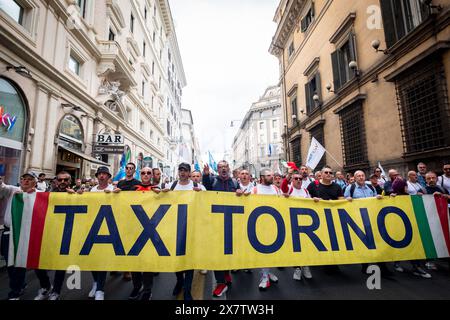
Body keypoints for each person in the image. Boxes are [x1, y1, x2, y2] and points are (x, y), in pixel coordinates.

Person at [163, 163, 203, 300]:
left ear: (189, 173)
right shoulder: (171, 186)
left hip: (192, 229)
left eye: (185, 170)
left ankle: (187, 289)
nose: (182, 173)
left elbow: (206, 204)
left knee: (189, 260)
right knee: (177, 258)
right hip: (174, 229)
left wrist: (201, 195)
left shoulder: (197, 187)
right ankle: (179, 281)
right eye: (180, 170)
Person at [34, 171, 76, 300]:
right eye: (60, 180)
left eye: (66, 180)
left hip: (66, 234)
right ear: (56, 181)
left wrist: (76, 197)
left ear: (70, 181)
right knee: (38, 262)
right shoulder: (47, 194)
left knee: (60, 265)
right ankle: (45, 286)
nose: (62, 182)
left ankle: (56, 291)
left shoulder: (77, 195)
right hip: (48, 233)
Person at [83, 166, 121, 300]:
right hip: (93, 227)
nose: (102, 176)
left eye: (104, 174)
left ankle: (100, 289)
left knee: (102, 259)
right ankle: (95, 282)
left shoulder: (113, 189)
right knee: (92, 259)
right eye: (100, 174)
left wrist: (118, 195)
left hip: (108, 228)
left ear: (108, 177)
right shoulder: (92, 190)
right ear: (97, 176)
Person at [344, 171, 392, 276]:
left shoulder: (371, 188)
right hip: (358, 220)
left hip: (372, 219)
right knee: (364, 243)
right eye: (358, 176)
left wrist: (378, 198)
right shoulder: (350, 188)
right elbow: (344, 202)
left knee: (377, 243)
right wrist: (347, 200)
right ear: (355, 178)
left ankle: (383, 267)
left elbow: (375, 199)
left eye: (362, 176)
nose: (361, 178)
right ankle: (365, 266)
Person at [202, 161, 239, 298]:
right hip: (215, 225)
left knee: (229, 252)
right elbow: (205, 187)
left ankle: (226, 273)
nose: (223, 169)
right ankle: (220, 283)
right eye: (220, 167)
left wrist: (240, 193)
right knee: (216, 254)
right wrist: (205, 176)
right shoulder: (212, 181)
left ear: (228, 168)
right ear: (217, 170)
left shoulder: (235, 183)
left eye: (225, 166)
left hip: (231, 224)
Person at [1, 172, 39, 300]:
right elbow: (2, 187)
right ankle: (20, 284)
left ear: (35, 182)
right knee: (9, 263)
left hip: (23, 234)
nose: (26, 181)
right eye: (24, 179)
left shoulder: (38, 195)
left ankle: (15, 292)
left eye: (30, 179)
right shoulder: (13, 190)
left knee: (19, 263)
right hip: (8, 233)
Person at [124, 167, 160, 300]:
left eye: (148, 173)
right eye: (143, 173)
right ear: (140, 174)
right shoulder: (133, 189)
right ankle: (136, 286)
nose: (145, 175)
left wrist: (163, 194)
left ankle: (147, 290)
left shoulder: (157, 190)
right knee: (135, 262)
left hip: (150, 231)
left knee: (147, 262)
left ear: (151, 175)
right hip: (134, 230)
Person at [308, 166, 344, 274]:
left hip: (333, 218)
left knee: (333, 241)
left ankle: (333, 263)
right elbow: (305, 199)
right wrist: (312, 200)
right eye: (326, 172)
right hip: (318, 219)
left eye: (330, 172)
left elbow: (341, 201)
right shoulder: (314, 185)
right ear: (322, 174)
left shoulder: (337, 187)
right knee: (321, 241)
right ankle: (322, 261)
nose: (329, 174)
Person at [251, 169, 280, 291]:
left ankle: (268, 272)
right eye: (269, 175)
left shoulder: (276, 189)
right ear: (262, 177)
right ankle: (264, 276)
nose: (272, 177)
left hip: (275, 224)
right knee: (263, 251)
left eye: (272, 175)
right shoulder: (255, 190)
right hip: (261, 225)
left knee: (273, 251)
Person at [282, 170, 312, 281]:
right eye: (296, 178)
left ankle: (306, 267)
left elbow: (311, 204)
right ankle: (297, 268)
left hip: (305, 223)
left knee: (306, 246)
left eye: (300, 179)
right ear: (292, 180)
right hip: (292, 222)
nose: (298, 180)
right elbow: (283, 186)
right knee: (296, 247)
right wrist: (288, 176)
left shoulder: (305, 191)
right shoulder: (289, 189)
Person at [117, 163, 142, 282]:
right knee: (119, 242)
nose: (129, 170)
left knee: (129, 243)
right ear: (125, 169)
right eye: (127, 168)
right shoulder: (120, 183)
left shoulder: (137, 183)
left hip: (133, 216)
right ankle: (119, 265)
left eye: (131, 168)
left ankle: (127, 270)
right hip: (121, 215)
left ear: (134, 171)